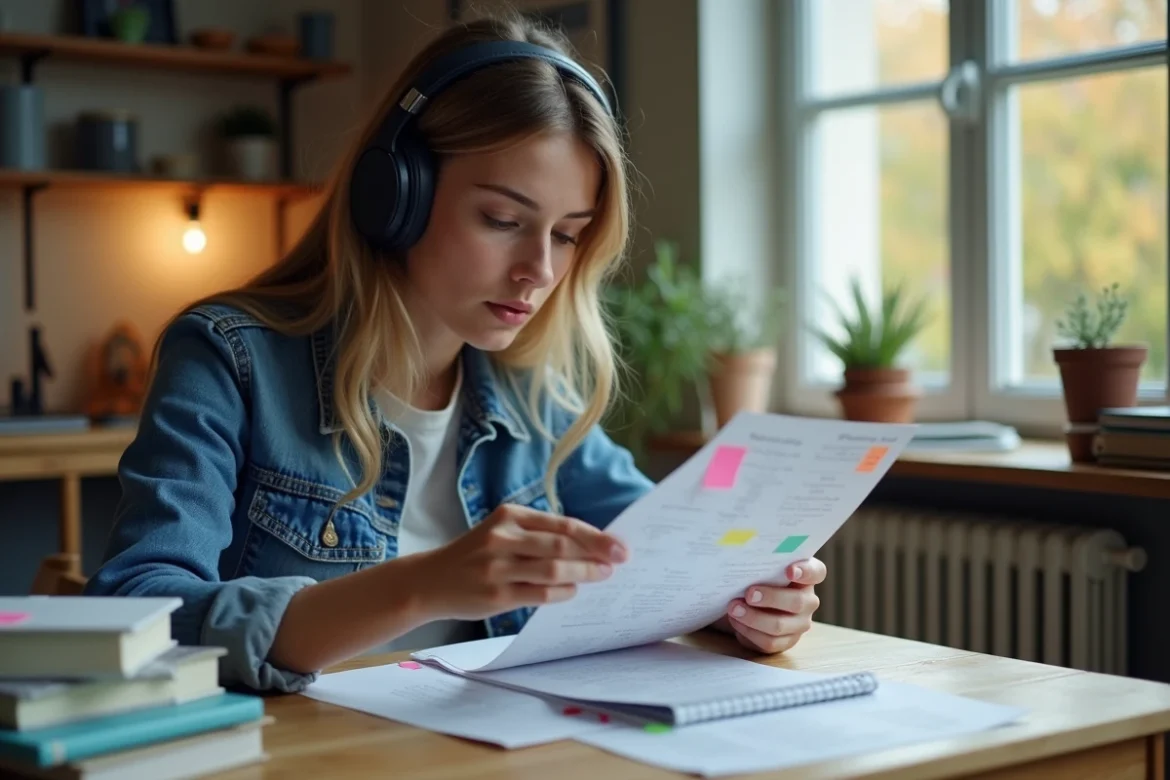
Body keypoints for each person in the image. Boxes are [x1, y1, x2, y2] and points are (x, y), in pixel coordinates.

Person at [84, 12, 826, 694]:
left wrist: (747, 600)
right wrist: (423, 586)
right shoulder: (227, 361)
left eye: (567, 234)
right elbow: (141, 613)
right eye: (503, 218)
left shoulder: (535, 396)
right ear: (395, 193)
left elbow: (671, 555)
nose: (539, 269)